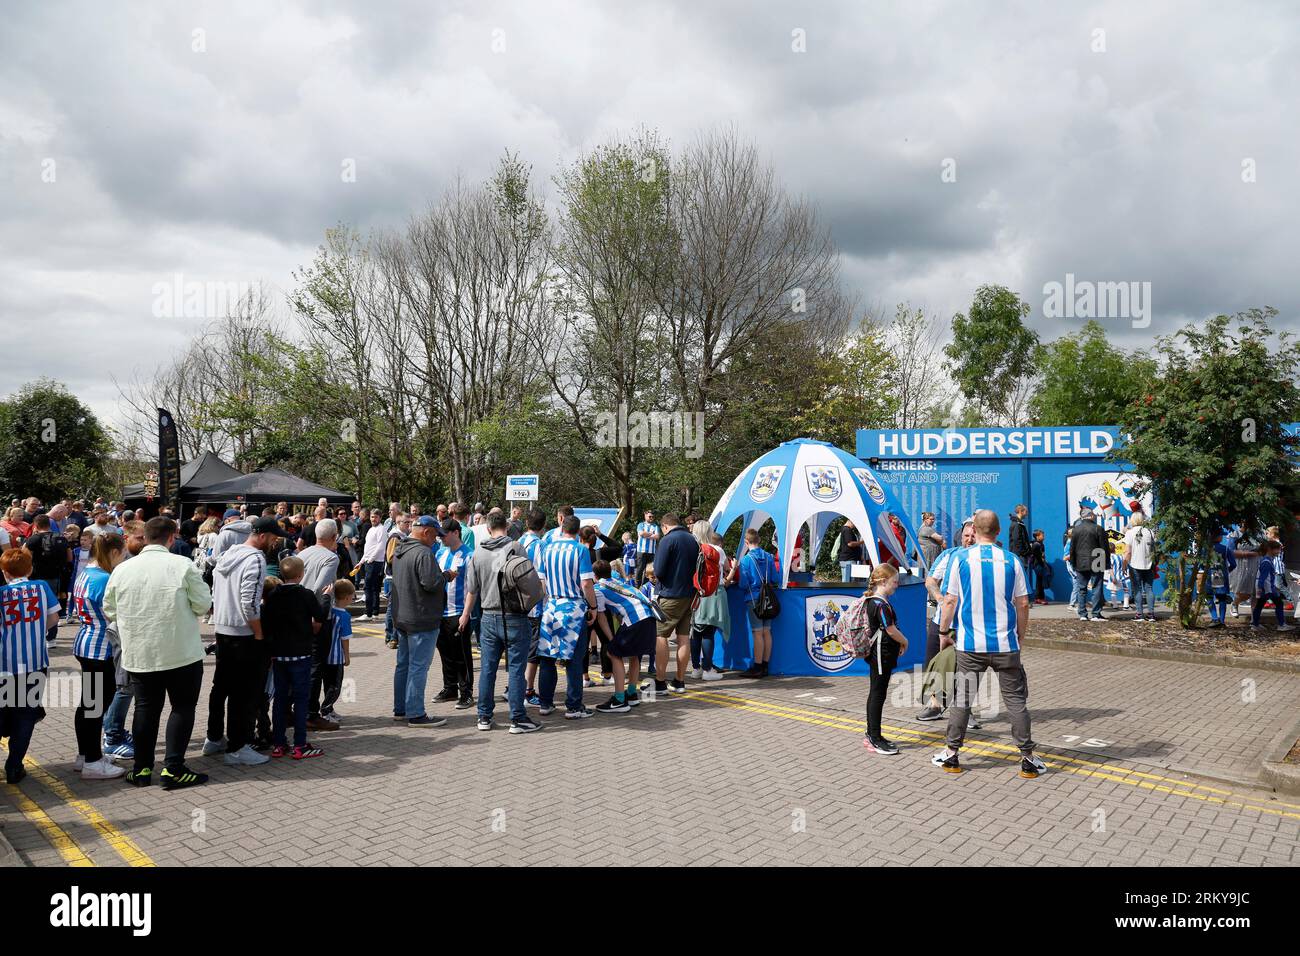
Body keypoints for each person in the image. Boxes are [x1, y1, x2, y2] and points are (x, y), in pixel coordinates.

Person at [932, 510, 1046, 779]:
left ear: (974, 531)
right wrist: (1020, 634)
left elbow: (949, 601)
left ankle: (951, 754)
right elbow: (1023, 603)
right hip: (1005, 644)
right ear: (997, 532)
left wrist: (944, 631)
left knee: (963, 698)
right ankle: (1027, 758)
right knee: (1016, 702)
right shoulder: (1012, 561)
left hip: (971, 645)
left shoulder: (959, 559)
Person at [103, 517, 213, 789]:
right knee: (182, 708)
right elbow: (202, 604)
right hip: (181, 652)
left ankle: (142, 769)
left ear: (146, 537)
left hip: (141, 652)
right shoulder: (182, 565)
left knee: (146, 709)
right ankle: (173, 767)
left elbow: (110, 609)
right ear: (172, 538)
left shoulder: (123, 569)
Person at [203, 515, 279, 766]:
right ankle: (238, 747)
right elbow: (249, 602)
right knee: (243, 694)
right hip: (243, 633)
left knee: (221, 687)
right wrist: (258, 633)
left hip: (223, 629)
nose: (275, 542)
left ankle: (214, 738)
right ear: (263, 536)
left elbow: (216, 592)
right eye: (274, 537)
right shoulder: (256, 559)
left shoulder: (227, 555)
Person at [460, 511, 541, 733]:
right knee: (516, 669)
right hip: (514, 616)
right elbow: (528, 580)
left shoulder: (477, 553)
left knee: (487, 669)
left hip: (487, 615)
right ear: (506, 526)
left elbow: (472, 590)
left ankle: (484, 716)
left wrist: (466, 614)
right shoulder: (516, 548)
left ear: (487, 528)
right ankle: (518, 718)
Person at [70, 532, 127, 780]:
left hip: (86, 642)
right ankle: (92, 760)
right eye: (122, 553)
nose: (123, 558)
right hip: (100, 647)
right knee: (95, 707)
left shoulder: (86, 573)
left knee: (89, 705)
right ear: (113, 552)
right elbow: (114, 614)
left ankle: (86, 755)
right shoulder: (104, 578)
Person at [0, 548, 60, 783]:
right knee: (26, 715)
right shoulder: (41, 587)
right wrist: (37, 632)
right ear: (31, 568)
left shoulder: (2, 593)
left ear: (5, 572)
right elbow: (54, 617)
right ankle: (14, 765)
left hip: (5, 664)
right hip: (35, 662)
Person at [260, 556, 327, 759]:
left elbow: (266, 620)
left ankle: (279, 744)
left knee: (279, 700)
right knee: (300, 699)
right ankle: (300, 744)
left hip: (279, 654)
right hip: (301, 653)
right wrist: (326, 598)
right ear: (301, 574)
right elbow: (319, 616)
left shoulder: (273, 595)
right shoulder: (305, 594)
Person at [535, 515, 599, 720]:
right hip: (573, 608)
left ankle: (545, 703)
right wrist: (593, 606)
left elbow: (541, 582)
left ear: (562, 527)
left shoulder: (547, 548)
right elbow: (587, 583)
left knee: (547, 657)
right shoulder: (580, 550)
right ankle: (574, 706)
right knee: (574, 659)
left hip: (551, 606)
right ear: (578, 531)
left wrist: (547, 601)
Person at [916, 520, 977, 722]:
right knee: (933, 663)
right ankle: (935, 705)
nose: (969, 539)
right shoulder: (949, 555)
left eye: (973, 535)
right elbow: (930, 581)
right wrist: (940, 599)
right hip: (941, 620)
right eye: (966, 535)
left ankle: (965, 712)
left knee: (965, 670)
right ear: (961, 536)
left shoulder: (984, 560)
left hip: (968, 625)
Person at [389, 516, 447, 726]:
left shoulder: (400, 550)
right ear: (426, 532)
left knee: (403, 665)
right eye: (435, 535)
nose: (436, 540)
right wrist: (446, 576)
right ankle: (415, 713)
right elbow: (431, 582)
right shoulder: (423, 553)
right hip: (421, 618)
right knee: (418, 667)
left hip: (402, 616)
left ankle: (401, 709)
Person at [590, 560, 658, 712]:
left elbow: (601, 618)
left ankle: (619, 699)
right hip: (648, 616)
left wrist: (611, 639)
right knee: (635, 655)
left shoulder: (597, 589)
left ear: (594, 575)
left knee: (613, 653)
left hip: (634, 620)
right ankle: (632, 693)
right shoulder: (615, 579)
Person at [859, 564, 909, 755]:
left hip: (882, 653)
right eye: (894, 582)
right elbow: (890, 629)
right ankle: (874, 736)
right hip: (881, 654)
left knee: (877, 692)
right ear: (883, 581)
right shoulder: (879, 603)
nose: (896, 585)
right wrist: (905, 641)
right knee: (878, 694)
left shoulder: (876, 600)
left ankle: (873, 733)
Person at [651, 512, 699, 694]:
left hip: (670, 595)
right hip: (690, 595)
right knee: (683, 637)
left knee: (660, 635)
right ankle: (679, 681)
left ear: (664, 526)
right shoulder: (693, 539)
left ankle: (661, 682)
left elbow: (659, 570)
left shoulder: (667, 540)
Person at [433, 522, 474, 709]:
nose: (440, 538)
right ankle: (450, 688)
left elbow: (473, 588)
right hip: (440, 611)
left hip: (458, 612)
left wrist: (466, 614)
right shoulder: (440, 553)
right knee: (445, 653)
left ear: (456, 533)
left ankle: (466, 692)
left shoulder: (469, 555)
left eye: (444, 534)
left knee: (462, 655)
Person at [689, 523, 730, 681]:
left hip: (695, 594)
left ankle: (695, 668)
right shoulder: (715, 550)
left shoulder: (692, 548)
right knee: (708, 633)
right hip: (712, 594)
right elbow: (726, 568)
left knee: (695, 632)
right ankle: (707, 669)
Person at [738, 528, 778, 678]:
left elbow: (743, 583)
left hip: (754, 598)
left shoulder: (746, 560)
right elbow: (775, 578)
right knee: (767, 631)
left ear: (746, 542)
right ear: (759, 540)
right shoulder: (769, 556)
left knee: (757, 632)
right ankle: (766, 666)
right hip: (768, 598)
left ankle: (757, 666)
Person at [25, 514, 71, 643]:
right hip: (56, 577)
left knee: (36, 607)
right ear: (49, 524)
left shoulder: (33, 539)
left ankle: (38, 636)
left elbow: (25, 558)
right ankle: (51, 638)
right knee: (53, 606)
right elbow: (70, 558)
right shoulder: (61, 538)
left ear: (36, 525)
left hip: (36, 578)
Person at [518, 508, 547, 707]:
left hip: (516, 602)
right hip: (534, 605)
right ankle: (528, 690)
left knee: (518, 648)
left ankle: (515, 686)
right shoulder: (539, 545)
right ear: (543, 526)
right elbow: (542, 577)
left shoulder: (518, 542)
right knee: (532, 651)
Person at [316, 578, 355, 723]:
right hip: (336, 656)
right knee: (335, 686)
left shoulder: (329, 611)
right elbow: (345, 638)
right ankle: (326, 709)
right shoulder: (344, 616)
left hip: (324, 655)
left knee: (327, 683)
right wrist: (347, 656)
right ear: (346, 597)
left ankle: (329, 709)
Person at [1069, 510, 1110, 621]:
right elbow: (1104, 547)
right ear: (1091, 516)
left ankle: (1082, 614)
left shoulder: (1076, 530)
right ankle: (1096, 614)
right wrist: (1107, 563)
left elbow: (1072, 548)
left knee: (1081, 589)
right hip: (1097, 560)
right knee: (1097, 587)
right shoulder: (1098, 528)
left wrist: (1072, 562)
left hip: (1080, 562)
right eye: (1094, 515)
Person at [1124, 515, 1158, 622]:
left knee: (1137, 589)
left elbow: (1128, 551)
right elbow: (1155, 547)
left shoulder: (1129, 533)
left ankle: (1139, 614)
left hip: (1134, 564)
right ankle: (1151, 614)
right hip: (1149, 564)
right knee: (1149, 589)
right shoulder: (1150, 531)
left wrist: (1124, 564)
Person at [1204, 528, 1237, 628]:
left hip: (1209, 574)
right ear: (1218, 537)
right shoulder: (1225, 549)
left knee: (1209, 596)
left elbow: (1202, 564)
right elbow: (1233, 564)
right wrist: (1226, 571)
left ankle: (1214, 618)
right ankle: (1222, 621)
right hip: (1220, 575)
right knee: (1222, 598)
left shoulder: (1205, 549)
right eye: (1221, 535)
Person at [360, 509, 387, 620]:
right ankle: (374, 612)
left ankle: (368, 613)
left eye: (375, 517)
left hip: (375, 562)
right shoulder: (371, 529)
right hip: (369, 560)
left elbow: (381, 546)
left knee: (369, 587)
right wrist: (362, 560)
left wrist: (370, 559)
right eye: (372, 517)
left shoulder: (381, 529)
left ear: (380, 518)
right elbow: (368, 547)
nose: (373, 519)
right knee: (374, 588)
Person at [634, 510, 659, 584]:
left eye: (652, 516)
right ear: (645, 516)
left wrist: (646, 534)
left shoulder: (655, 526)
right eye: (650, 516)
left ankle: (646, 584)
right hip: (641, 550)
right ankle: (637, 585)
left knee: (649, 569)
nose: (651, 518)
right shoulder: (641, 525)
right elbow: (641, 533)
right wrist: (651, 534)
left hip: (651, 551)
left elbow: (657, 536)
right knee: (640, 569)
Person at [1027, 529, 1050, 605]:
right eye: (1042, 535)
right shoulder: (1036, 544)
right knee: (1041, 581)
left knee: (1039, 581)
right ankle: (1040, 598)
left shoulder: (1040, 544)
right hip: (1038, 565)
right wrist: (1043, 565)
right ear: (1037, 536)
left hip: (1038, 565)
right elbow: (1038, 557)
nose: (1044, 536)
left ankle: (1038, 598)